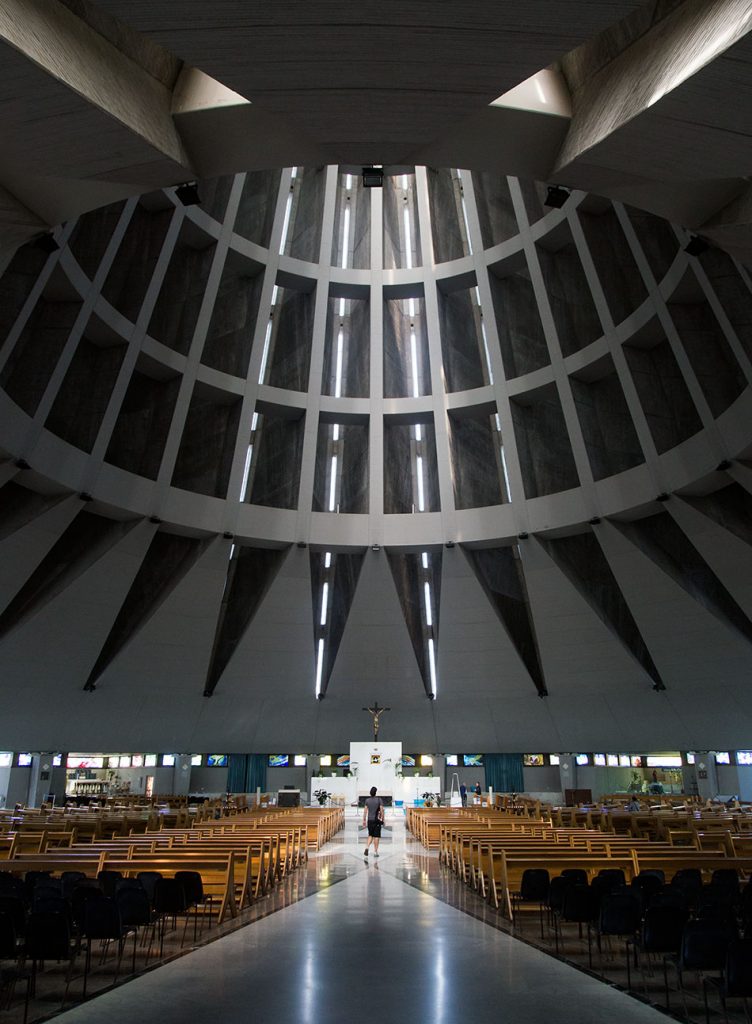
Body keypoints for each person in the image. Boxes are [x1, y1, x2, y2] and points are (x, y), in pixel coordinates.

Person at [362, 786, 384, 858]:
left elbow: (365, 811)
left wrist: (364, 820)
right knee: (376, 836)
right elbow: (381, 810)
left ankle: (367, 847)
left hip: (370, 820)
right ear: (375, 793)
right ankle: (375, 852)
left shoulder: (367, 800)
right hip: (376, 820)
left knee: (370, 835)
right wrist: (383, 819)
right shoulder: (379, 800)